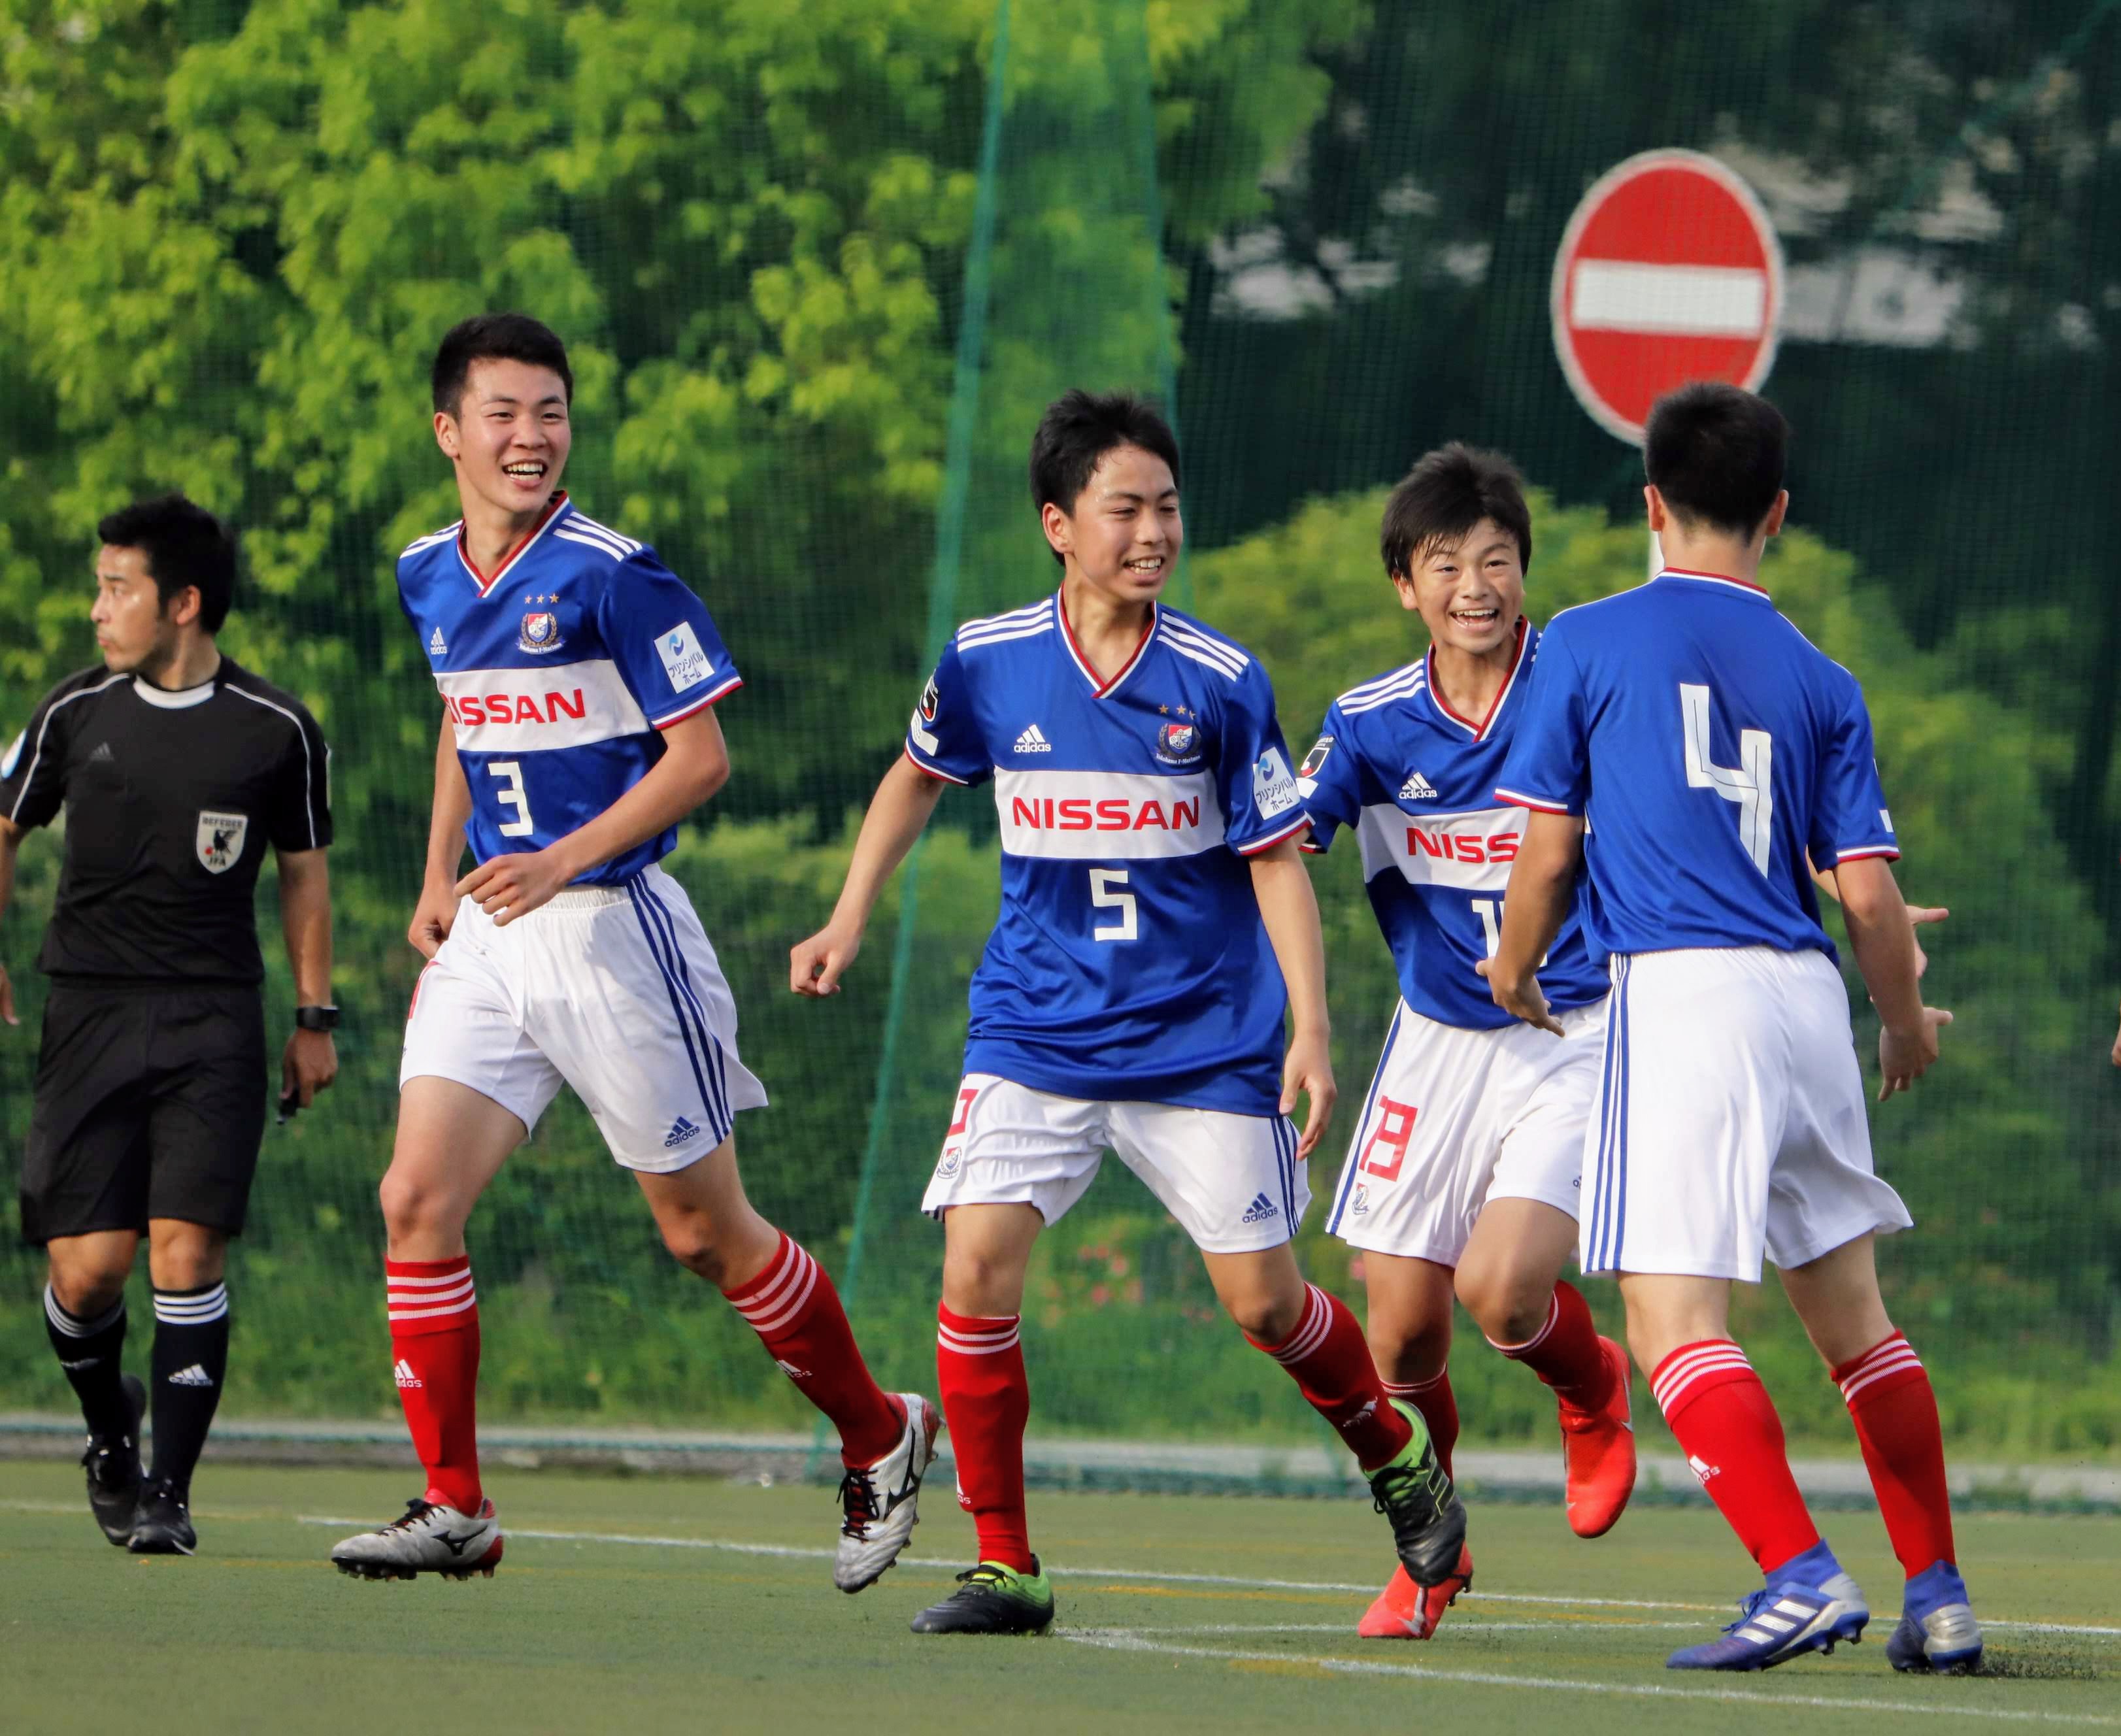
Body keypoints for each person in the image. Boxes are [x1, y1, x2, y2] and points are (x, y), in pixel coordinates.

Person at [790, 389, 1465, 1638]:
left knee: (1266, 1305)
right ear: (1059, 523)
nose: (1154, 531)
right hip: (1033, 1030)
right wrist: (846, 917)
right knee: (976, 1271)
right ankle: (1009, 1565)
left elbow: (1274, 859)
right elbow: (912, 779)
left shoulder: (1218, 682)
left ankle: (1393, 1451)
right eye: (1125, 509)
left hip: (1204, 1043)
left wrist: (1310, 1030)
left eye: (1167, 507)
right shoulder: (989, 660)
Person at [327, 313, 931, 1590]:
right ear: (449, 431)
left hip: (611, 930)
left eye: (549, 412)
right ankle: (456, 1503)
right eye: (502, 413)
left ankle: (881, 1431)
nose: (530, 436)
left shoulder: (617, 573)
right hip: (491, 935)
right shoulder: (429, 569)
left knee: (704, 1234)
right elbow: (461, 718)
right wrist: (441, 872)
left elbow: (701, 755)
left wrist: (560, 858)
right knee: (413, 1200)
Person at [1486, 381, 1977, 1675]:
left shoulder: (1584, 642)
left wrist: (1513, 961)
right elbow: (1865, 892)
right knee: (1856, 1317)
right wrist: (1904, 1016)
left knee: (1669, 1316)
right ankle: (1940, 1592)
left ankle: (1799, 1571)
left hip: (1682, 991)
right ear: (1779, 515)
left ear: (1649, 503)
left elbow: (1546, 855)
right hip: (1806, 996)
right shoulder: (1822, 675)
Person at [1295, 444, 1633, 1641]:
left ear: (1527, 574)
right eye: (1448, 565)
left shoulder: (1585, 690)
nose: (1476, 586)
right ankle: (1429, 1547)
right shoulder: (1370, 725)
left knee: (1501, 1291)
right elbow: (1284, 847)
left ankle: (1592, 1391)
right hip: (1438, 1037)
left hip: (1575, 1027)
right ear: (1407, 584)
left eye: (1497, 560)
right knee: (1397, 1329)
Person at [2, 494, 336, 1558]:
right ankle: (112, 1432)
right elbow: (3, 825)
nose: (97, 608)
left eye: (117, 588)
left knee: (186, 1253)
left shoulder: (277, 730)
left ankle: (170, 1495)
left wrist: (312, 1016)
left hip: (213, 1021)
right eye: (99, 586)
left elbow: (305, 880)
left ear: (183, 603)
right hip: (89, 1012)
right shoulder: (73, 713)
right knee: (86, 1273)